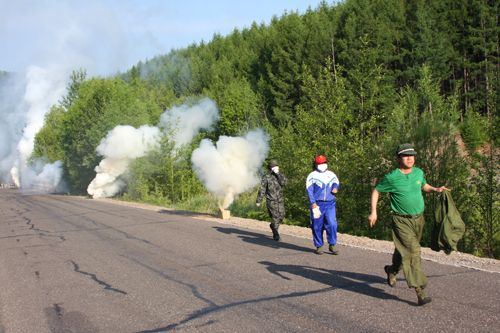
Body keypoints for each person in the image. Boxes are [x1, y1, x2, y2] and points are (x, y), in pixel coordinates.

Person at [368, 143, 448, 306]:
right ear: (398, 158)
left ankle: (392, 270)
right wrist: (373, 211)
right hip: (401, 221)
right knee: (413, 251)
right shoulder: (392, 177)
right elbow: (377, 190)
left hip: (418, 220)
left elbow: (423, 186)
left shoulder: (418, 172)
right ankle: (420, 291)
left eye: (412, 155)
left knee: (402, 250)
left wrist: (435, 189)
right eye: (405, 155)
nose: (410, 158)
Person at [306, 154, 340, 255]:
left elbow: (336, 183)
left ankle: (332, 244)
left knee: (332, 224)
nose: (322, 165)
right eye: (320, 163)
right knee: (317, 225)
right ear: (316, 164)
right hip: (317, 204)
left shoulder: (331, 174)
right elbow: (309, 190)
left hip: (330, 203)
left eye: (324, 163)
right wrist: (313, 203)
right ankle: (319, 245)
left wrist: (335, 188)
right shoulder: (312, 176)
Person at [256, 159, 287, 241]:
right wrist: (259, 200)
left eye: (277, 166)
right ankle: (275, 233)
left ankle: (273, 226)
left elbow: (284, 183)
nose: (276, 167)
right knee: (275, 216)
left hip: (280, 200)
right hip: (271, 200)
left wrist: (278, 174)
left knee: (282, 215)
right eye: (274, 166)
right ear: (270, 168)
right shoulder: (266, 177)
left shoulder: (280, 175)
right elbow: (262, 189)